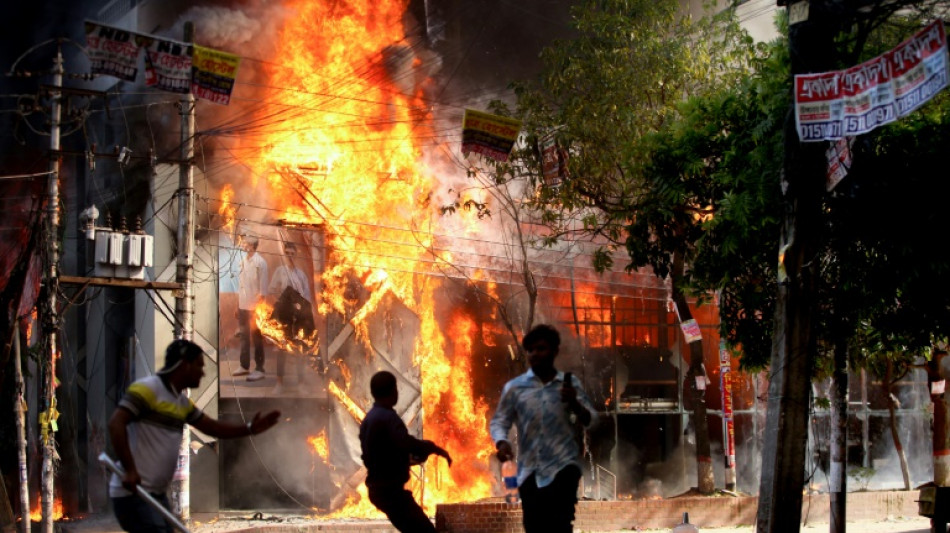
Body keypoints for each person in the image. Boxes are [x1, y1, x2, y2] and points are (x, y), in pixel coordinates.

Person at [108, 339, 280, 533]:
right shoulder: (147, 390)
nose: (203, 372)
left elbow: (213, 428)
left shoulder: (181, 403)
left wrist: (249, 429)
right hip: (133, 493)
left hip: (155, 494)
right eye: (199, 365)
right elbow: (116, 424)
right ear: (184, 365)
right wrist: (130, 470)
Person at [490, 324, 597, 533]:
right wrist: (501, 441)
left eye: (541, 348)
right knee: (533, 526)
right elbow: (499, 421)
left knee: (560, 526)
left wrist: (575, 404)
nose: (534, 354)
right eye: (530, 350)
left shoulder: (569, 384)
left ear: (554, 351)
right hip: (530, 472)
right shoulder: (515, 388)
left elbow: (591, 420)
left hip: (563, 470)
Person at [359, 371, 453, 533]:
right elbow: (406, 443)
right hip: (389, 492)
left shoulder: (369, 419)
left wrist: (405, 459)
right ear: (393, 391)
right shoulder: (387, 418)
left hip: (380, 490)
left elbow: (382, 453)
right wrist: (432, 448)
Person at [267, 241, 314, 394]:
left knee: (300, 348)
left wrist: (300, 308)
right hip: (284, 316)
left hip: (299, 316)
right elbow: (272, 290)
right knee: (282, 349)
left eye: (292, 253)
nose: (290, 256)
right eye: (287, 253)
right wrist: (282, 304)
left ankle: (300, 383)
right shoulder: (280, 271)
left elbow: (306, 296)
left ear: (296, 254)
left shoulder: (301, 275)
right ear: (284, 254)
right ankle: (279, 383)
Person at [235, 235, 268, 382]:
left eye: (245, 243)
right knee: (244, 337)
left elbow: (263, 290)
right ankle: (244, 366)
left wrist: (258, 311)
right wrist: (238, 306)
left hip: (255, 308)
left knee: (257, 339)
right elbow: (241, 287)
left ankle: (259, 369)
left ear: (253, 245)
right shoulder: (242, 262)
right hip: (243, 305)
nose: (243, 245)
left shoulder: (261, 263)